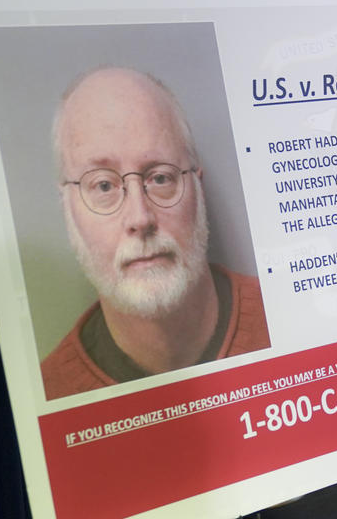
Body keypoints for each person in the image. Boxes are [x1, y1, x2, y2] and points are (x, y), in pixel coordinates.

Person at [42, 67, 270, 399]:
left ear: (197, 188)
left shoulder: (292, 317)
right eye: (103, 185)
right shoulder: (49, 397)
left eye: (160, 178)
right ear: (67, 209)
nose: (140, 217)